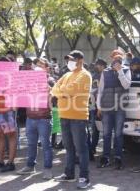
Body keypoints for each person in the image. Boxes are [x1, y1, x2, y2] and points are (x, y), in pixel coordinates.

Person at [52, 50, 92, 189]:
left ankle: (84, 177)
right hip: (64, 116)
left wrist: (62, 92)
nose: (69, 62)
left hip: (78, 117)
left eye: (72, 59)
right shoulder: (67, 74)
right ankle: (69, 174)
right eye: (69, 59)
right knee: (68, 148)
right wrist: (62, 92)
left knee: (81, 149)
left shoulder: (85, 75)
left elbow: (70, 91)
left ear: (80, 61)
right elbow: (54, 90)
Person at [17, 58, 54, 180]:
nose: (37, 68)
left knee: (46, 145)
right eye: (36, 65)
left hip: (44, 119)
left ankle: (48, 169)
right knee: (31, 144)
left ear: (46, 68)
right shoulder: (28, 82)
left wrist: (49, 91)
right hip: (30, 118)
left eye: (41, 65)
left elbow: (53, 103)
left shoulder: (51, 82)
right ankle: (30, 166)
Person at [97, 51, 131, 170]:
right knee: (106, 134)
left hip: (120, 109)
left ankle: (118, 158)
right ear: (111, 59)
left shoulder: (126, 70)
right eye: (115, 58)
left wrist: (120, 71)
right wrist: (99, 107)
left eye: (119, 58)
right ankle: (105, 158)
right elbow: (100, 90)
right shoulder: (105, 72)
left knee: (118, 135)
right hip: (106, 108)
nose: (117, 60)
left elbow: (126, 85)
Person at [89, 59, 107, 155]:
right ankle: (93, 148)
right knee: (94, 128)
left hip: (104, 106)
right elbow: (91, 88)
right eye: (96, 65)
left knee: (106, 129)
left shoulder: (108, 74)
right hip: (94, 105)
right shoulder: (94, 76)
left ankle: (106, 150)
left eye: (98, 65)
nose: (96, 67)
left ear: (102, 65)